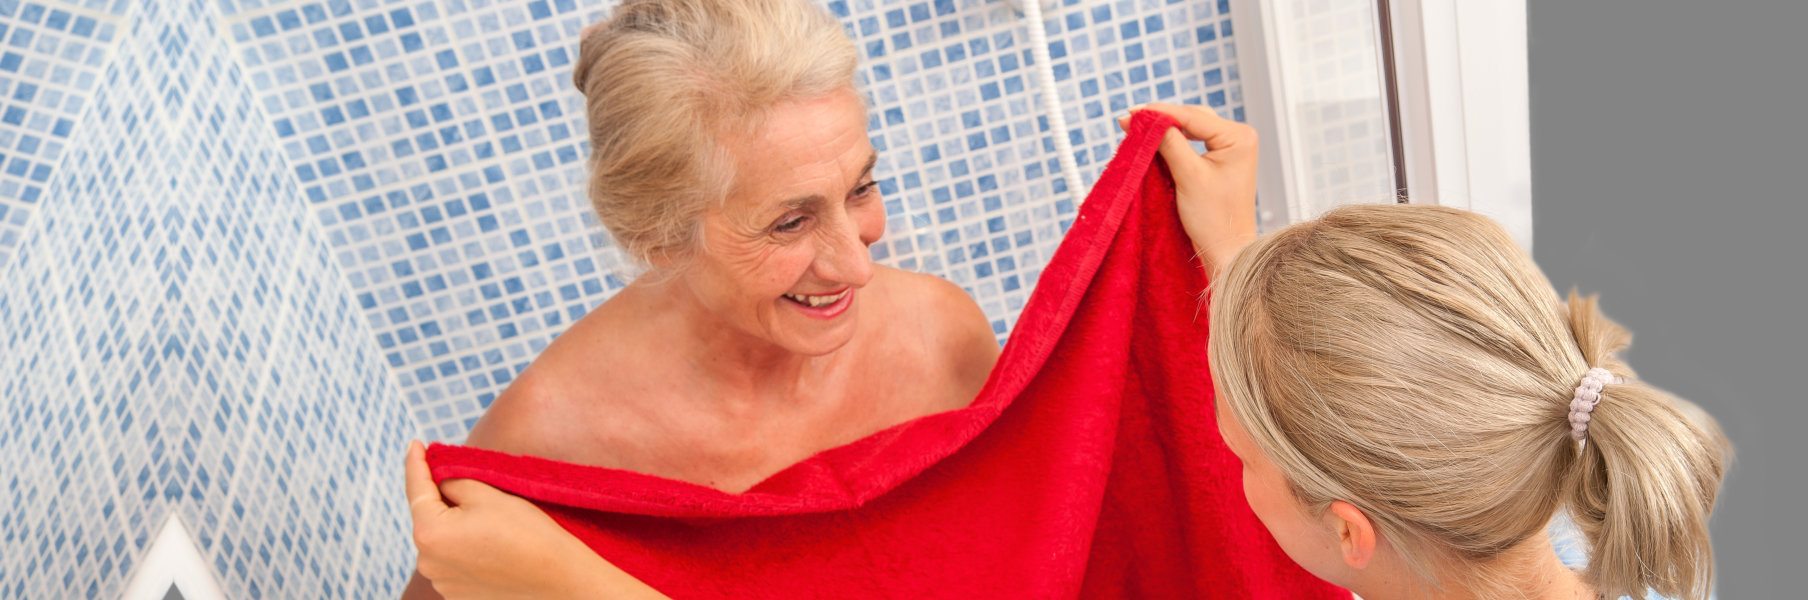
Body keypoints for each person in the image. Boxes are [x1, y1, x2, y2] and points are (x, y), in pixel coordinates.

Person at [399, 0, 1260, 596]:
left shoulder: (939, 336)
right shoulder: (550, 441)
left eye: (860, 188)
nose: (854, 265)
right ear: (657, 235)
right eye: (787, 224)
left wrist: (1221, 265)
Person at [1207, 204, 1731, 600]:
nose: (1235, 469)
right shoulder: (1605, 536)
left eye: (1242, 456)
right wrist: (1241, 277)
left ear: (1349, 531)